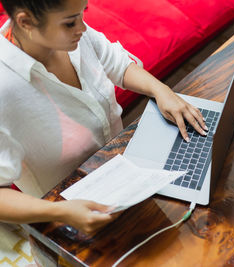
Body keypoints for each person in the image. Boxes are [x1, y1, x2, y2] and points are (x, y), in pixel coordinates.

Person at [0, 0, 208, 260]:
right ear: (26, 22)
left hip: (126, 182)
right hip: (73, 224)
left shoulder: (72, 37)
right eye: (69, 22)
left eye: (82, 14)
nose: (82, 28)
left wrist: (162, 91)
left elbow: (117, 64)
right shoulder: (4, 90)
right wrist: (61, 212)